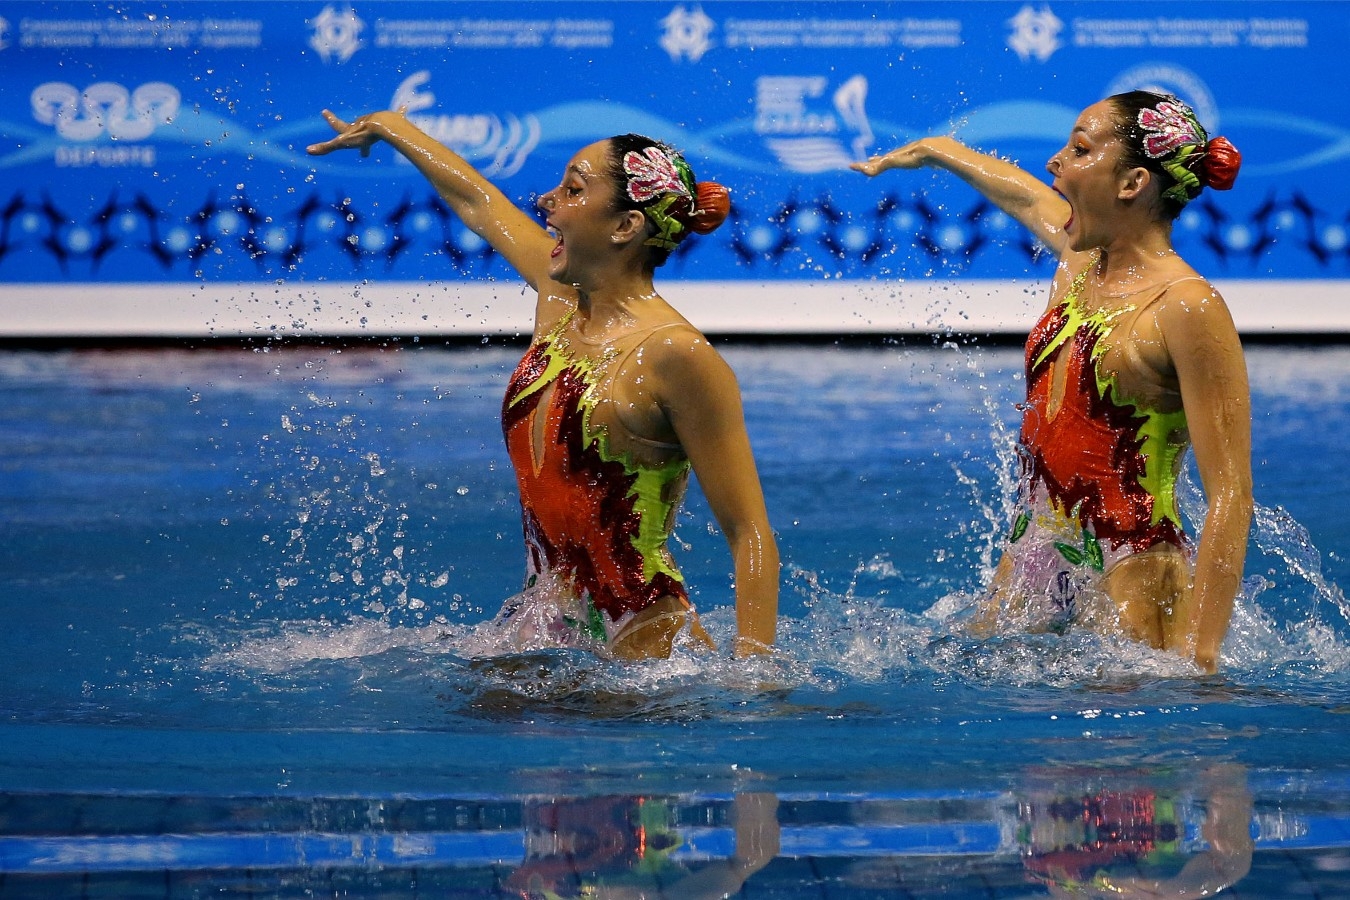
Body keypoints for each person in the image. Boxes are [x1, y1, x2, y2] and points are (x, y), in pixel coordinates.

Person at [308, 110, 778, 660]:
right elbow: (480, 204)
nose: (546, 200)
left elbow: (749, 532)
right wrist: (392, 127)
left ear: (625, 226)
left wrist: (755, 675)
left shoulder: (677, 356)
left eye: (573, 189)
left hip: (646, 647)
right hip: (544, 625)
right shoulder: (560, 306)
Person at [852, 91, 1252, 673]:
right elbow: (1020, 193)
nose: (1055, 163)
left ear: (1132, 182)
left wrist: (1203, 657)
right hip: (1033, 560)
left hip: (1132, 578)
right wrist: (939, 151)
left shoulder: (1185, 307)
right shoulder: (1080, 259)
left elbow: (1232, 495)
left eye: (1080, 148)